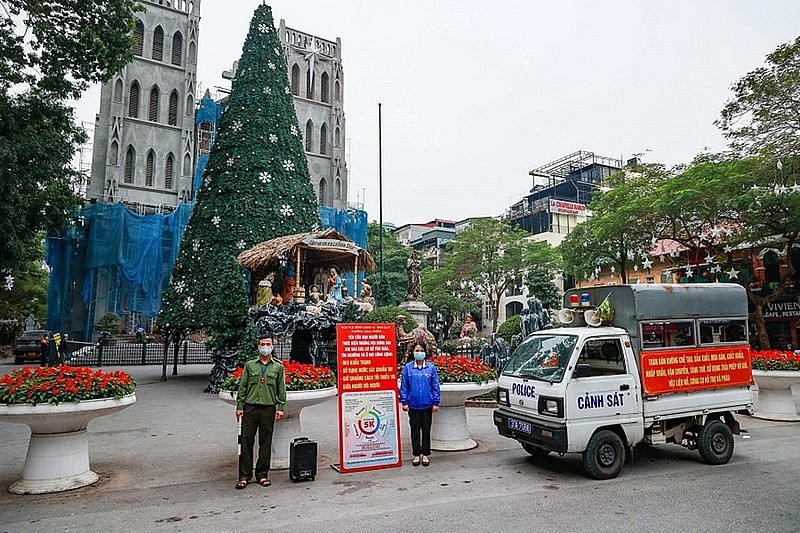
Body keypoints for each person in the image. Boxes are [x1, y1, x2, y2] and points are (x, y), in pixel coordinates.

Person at [235, 334, 286, 490]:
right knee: (246, 440)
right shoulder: (250, 365)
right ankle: (244, 475)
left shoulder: (278, 366)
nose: (265, 346)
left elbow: (281, 388)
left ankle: (262, 474)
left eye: (268, 344)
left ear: (272, 347)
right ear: (258, 346)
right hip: (250, 408)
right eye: (262, 344)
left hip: (268, 408)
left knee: (265, 442)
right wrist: (239, 406)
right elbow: (242, 387)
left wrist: (281, 408)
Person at [399, 342, 440, 467]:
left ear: (425, 352)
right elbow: (404, 386)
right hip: (413, 405)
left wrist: (435, 402)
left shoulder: (431, 368)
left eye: (421, 350)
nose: (419, 352)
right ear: (413, 352)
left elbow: (435, 386)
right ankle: (416, 454)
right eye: (417, 350)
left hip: (427, 405)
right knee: (415, 430)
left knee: (426, 430)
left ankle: (426, 454)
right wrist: (404, 402)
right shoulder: (408, 368)